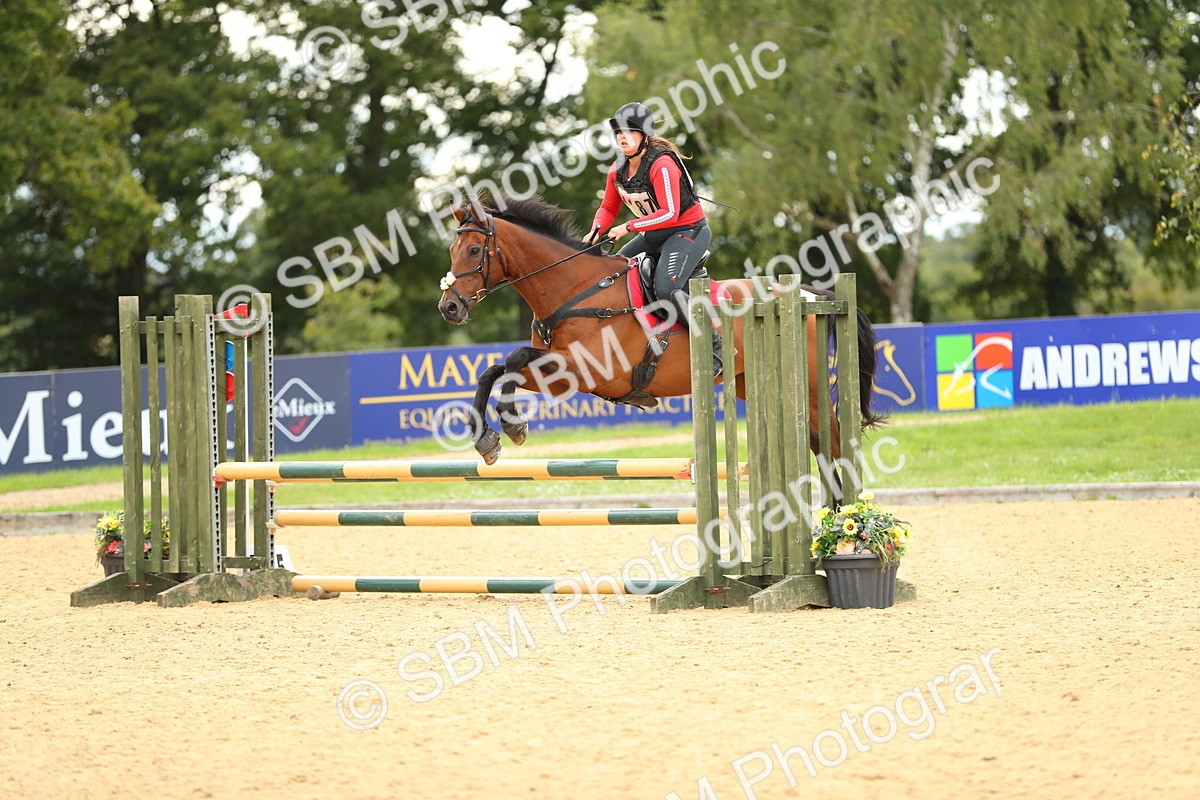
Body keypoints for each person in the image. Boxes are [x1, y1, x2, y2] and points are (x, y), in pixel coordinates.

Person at [584, 101, 721, 376]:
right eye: (618, 132)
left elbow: (670, 214)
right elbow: (608, 207)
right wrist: (596, 230)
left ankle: (715, 348)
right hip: (654, 235)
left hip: (688, 231)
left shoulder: (662, 164)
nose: (622, 137)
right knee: (615, 273)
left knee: (666, 288)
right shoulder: (616, 169)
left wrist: (629, 226)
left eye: (630, 132)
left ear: (644, 136)